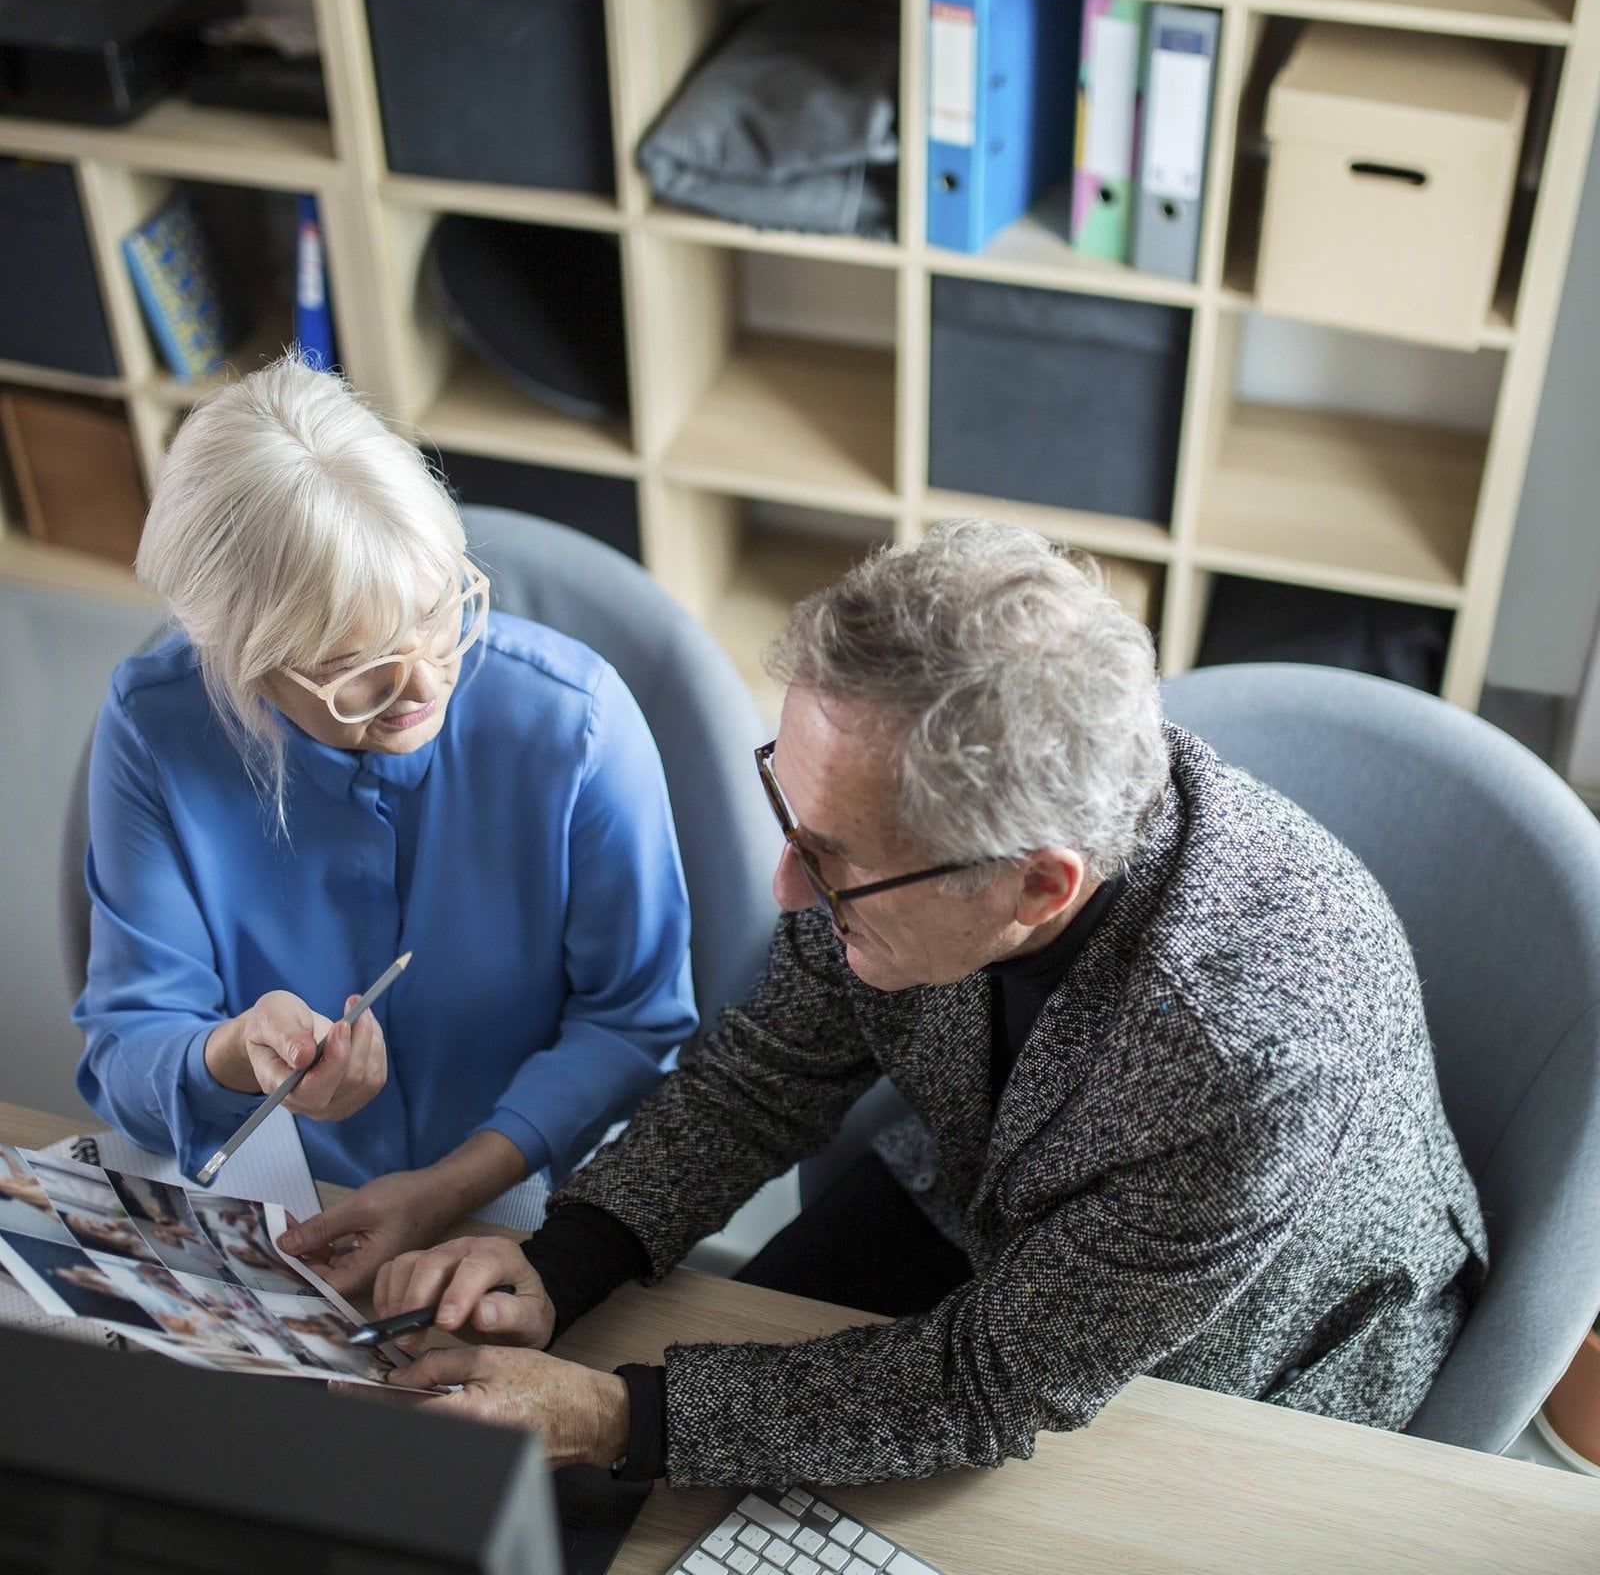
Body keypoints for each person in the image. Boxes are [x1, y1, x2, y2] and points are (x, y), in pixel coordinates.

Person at [365, 520, 1487, 1485]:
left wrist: (622, 1416)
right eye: (790, 817)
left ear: (1037, 883)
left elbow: (988, 1382)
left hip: (1240, 1344)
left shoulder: (1247, 1057)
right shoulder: (884, 818)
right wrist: (568, 1256)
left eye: (832, 862)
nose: (785, 888)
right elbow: (764, 1075)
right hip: (978, 1184)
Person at [73, 356, 697, 1295]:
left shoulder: (575, 724)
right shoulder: (156, 726)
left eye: (439, 607)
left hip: (513, 1173)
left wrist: (446, 1191)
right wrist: (236, 1054)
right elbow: (127, 1046)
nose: (423, 683)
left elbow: (635, 1019)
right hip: (258, 1167)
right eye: (354, 662)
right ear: (241, 660)